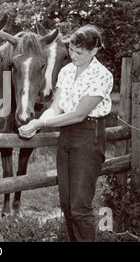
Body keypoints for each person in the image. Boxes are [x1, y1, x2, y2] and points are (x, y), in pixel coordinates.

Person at [18, 24, 113, 242]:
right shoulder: (67, 71)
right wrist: (39, 121)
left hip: (89, 135)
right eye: (71, 50)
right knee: (67, 205)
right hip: (66, 135)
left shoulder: (102, 75)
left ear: (95, 50)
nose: (73, 55)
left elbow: (79, 114)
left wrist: (41, 124)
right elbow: (57, 106)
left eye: (79, 52)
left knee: (80, 207)